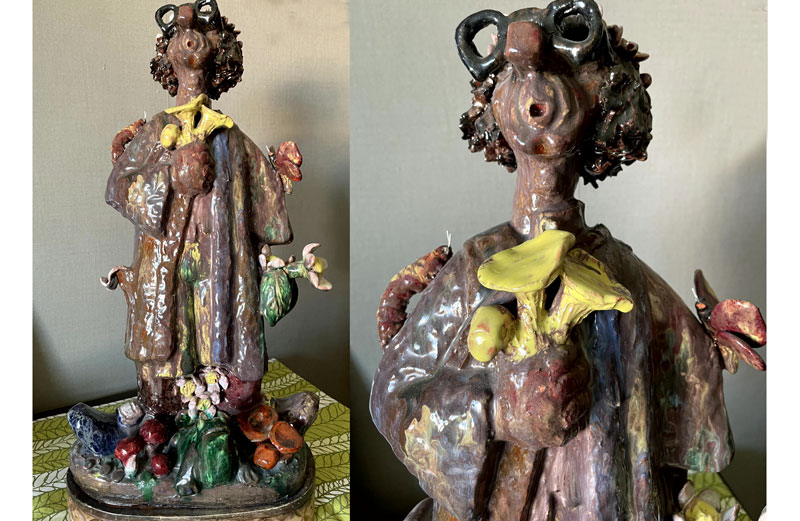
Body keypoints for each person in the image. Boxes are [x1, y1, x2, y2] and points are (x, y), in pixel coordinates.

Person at [370, 2, 763, 520]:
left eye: (570, 65)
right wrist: (495, 413)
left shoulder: (623, 275)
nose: (532, 70)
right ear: (494, 107)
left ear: (608, 105)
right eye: (513, 73)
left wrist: (716, 340)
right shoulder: (475, 267)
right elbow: (393, 398)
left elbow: (687, 395)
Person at [105, 0, 294, 415]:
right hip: (166, 269)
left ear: (221, 51)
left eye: (203, 24)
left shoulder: (232, 138)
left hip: (221, 275)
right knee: (164, 379)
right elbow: (118, 187)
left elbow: (268, 213)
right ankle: (167, 413)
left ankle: (223, 410)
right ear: (167, 54)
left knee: (232, 370)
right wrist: (169, 176)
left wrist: (279, 176)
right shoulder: (157, 131)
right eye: (178, 26)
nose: (189, 27)